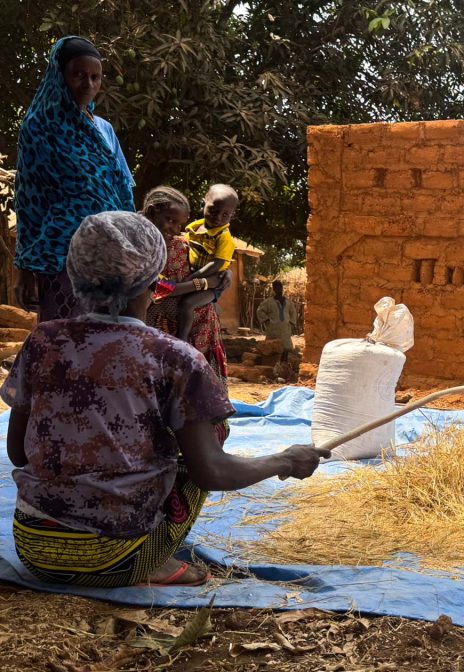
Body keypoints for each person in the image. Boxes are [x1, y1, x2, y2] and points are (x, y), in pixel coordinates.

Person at [1, 211, 329, 588]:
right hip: (115, 560)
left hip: (35, 548)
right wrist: (284, 460)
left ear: (77, 274)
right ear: (155, 281)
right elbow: (213, 472)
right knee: (208, 437)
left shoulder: (42, 341)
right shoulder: (174, 356)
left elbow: (18, 453)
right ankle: (155, 562)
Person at [13, 36, 135, 321]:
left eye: (95, 77)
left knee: (107, 340)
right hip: (61, 256)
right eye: (78, 75)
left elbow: (123, 192)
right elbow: (29, 201)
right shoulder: (39, 127)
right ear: (60, 76)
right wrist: (25, 268)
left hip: (109, 255)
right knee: (65, 338)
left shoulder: (103, 129)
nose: (88, 84)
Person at [142, 186, 230, 378]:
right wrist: (204, 283)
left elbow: (208, 263)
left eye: (179, 225)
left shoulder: (178, 242)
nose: (176, 230)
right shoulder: (139, 244)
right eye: (171, 221)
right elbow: (160, 287)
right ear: (152, 212)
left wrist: (224, 272)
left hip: (199, 332)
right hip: (158, 328)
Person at [177, 184, 239, 341]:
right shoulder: (194, 229)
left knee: (187, 304)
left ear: (232, 215)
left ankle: (182, 339)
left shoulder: (223, 237)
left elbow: (217, 264)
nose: (218, 217)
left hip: (213, 283)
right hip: (196, 278)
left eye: (225, 214)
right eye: (214, 210)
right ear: (202, 204)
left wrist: (193, 277)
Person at [257, 280, 298, 355]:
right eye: (277, 287)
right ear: (274, 289)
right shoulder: (268, 302)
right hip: (273, 328)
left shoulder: (288, 302)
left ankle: (285, 358)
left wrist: (291, 322)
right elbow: (260, 311)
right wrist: (266, 320)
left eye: (280, 287)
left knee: (287, 348)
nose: (279, 289)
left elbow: (293, 312)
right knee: (272, 347)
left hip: (285, 328)